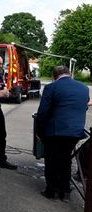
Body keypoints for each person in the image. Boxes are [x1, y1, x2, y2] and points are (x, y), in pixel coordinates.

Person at [35, 65, 89, 200]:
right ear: (69, 73)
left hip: (55, 131)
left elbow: (42, 112)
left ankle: (51, 190)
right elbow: (83, 108)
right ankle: (64, 191)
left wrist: (40, 132)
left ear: (54, 77)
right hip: (75, 132)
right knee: (66, 159)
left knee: (52, 159)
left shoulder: (51, 87)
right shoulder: (84, 88)